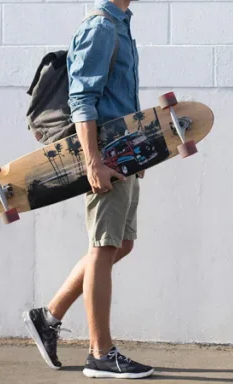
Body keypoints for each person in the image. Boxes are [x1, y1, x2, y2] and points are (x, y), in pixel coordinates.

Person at [22, 0, 154, 379]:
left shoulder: (121, 25)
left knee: (121, 244)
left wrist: (140, 150)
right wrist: (93, 160)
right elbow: (82, 98)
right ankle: (100, 353)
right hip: (105, 156)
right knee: (104, 246)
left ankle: (48, 317)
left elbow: (123, 98)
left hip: (124, 152)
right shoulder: (100, 28)